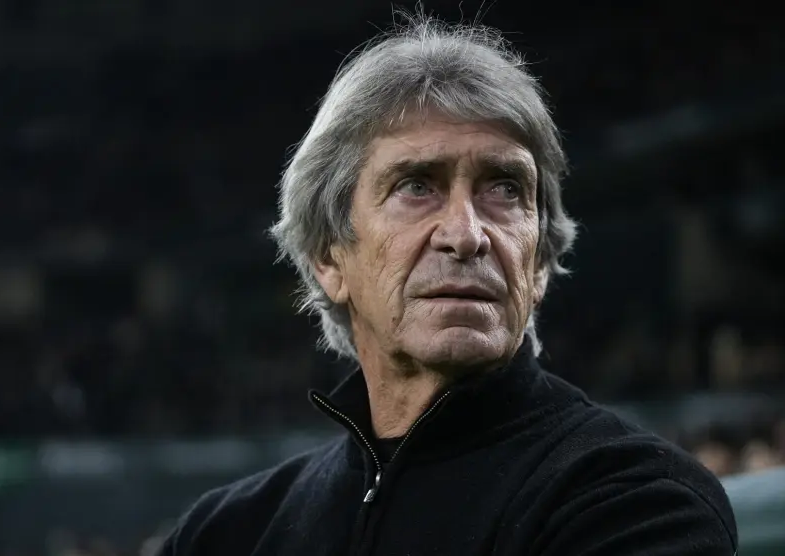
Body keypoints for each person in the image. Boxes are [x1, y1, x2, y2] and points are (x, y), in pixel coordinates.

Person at [158, 15, 737, 556]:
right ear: (329, 258)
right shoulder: (222, 534)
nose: (466, 235)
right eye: (416, 185)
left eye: (505, 188)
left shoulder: (640, 501)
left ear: (538, 264)